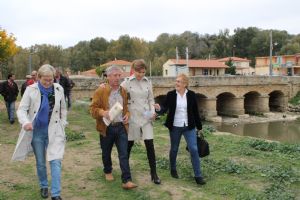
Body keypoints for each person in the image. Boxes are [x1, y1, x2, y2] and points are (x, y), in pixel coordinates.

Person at [12, 64, 68, 200]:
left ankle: (56, 194)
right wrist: (25, 122)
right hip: (37, 132)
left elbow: (63, 109)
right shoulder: (31, 90)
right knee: (41, 162)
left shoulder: (59, 89)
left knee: (55, 161)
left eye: (51, 79)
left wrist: (63, 123)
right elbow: (21, 109)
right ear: (38, 78)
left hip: (54, 131)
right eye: (45, 80)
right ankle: (43, 185)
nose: (49, 83)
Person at [90, 65, 137, 190]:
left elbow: (126, 108)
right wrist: (102, 112)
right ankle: (108, 170)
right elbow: (92, 109)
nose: (117, 78)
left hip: (121, 127)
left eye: (119, 75)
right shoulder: (101, 90)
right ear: (108, 76)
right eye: (115, 75)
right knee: (106, 152)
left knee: (123, 153)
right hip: (107, 127)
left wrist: (127, 114)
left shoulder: (123, 91)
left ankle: (126, 180)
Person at [155, 73, 206, 185]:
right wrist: (158, 109)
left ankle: (198, 175)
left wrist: (199, 127)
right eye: (176, 81)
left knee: (194, 149)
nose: (176, 83)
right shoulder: (171, 94)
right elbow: (164, 108)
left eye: (179, 81)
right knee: (174, 149)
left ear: (185, 84)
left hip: (189, 127)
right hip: (175, 127)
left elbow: (195, 111)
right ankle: (173, 168)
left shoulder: (192, 95)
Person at [122, 59, 161, 184]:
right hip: (132, 117)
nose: (141, 75)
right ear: (134, 71)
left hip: (146, 116)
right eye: (139, 72)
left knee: (150, 145)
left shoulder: (148, 82)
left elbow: (151, 99)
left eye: (143, 72)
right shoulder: (127, 83)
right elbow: (117, 93)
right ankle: (126, 174)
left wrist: (152, 112)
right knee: (128, 146)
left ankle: (154, 173)